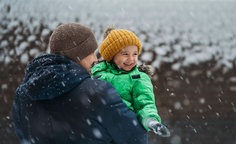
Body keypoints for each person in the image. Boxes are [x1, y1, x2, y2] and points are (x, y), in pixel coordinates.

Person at [11, 23, 148, 144]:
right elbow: (135, 138)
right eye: (92, 52)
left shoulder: (23, 94)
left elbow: (25, 138)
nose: (96, 59)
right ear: (80, 55)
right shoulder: (97, 92)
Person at [91, 27, 170, 137]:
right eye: (125, 54)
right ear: (111, 56)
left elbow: (145, 103)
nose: (131, 59)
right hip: (99, 131)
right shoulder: (97, 73)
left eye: (135, 54)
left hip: (127, 131)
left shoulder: (138, 78)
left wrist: (151, 122)